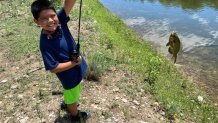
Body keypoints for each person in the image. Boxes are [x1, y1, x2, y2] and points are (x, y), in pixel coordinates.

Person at [31, 0, 90, 122]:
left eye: (52, 16)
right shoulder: (45, 44)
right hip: (69, 78)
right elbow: (53, 68)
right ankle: (75, 116)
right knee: (72, 99)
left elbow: (69, 3)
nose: (51, 20)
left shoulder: (60, 21)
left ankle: (67, 103)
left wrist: (77, 63)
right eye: (44, 19)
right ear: (36, 21)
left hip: (78, 70)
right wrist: (74, 63)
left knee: (73, 93)